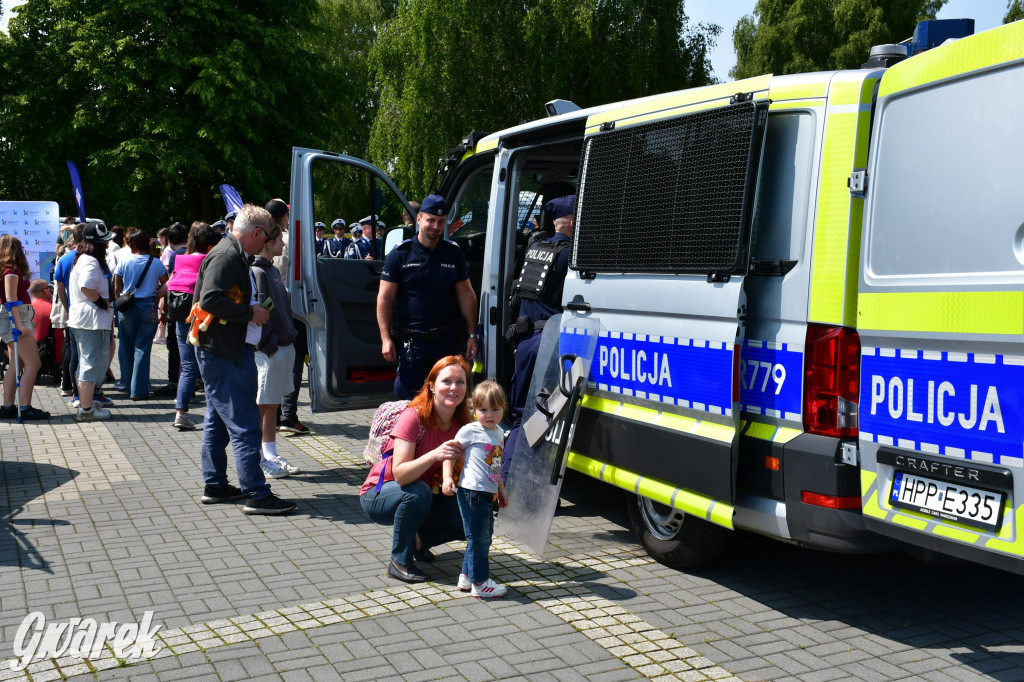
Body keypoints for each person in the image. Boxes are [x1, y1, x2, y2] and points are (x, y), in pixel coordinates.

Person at [193, 204, 296, 515]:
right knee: (244, 423)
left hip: (223, 349)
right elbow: (210, 299)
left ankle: (216, 485)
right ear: (255, 233)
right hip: (224, 351)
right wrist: (250, 312)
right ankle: (256, 492)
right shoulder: (227, 255)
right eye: (265, 236)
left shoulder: (233, 253)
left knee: (217, 420)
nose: (266, 242)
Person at [360, 355, 470, 583]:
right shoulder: (414, 417)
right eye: (446, 381)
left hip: (428, 494)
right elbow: (400, 474)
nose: (454, 388)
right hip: (380, 494)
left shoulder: (463, 423)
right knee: (417, 491)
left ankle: (417, 542)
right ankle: (400, 561)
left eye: (460, 382)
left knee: (471, 515)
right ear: (431, 385)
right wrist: (434, 455)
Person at [503, 195, 576, 482]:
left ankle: (507, 479)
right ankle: (523, 485)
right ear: (570, 221)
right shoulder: (568, 254)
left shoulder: (535, 248)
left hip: (524, 340)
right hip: (547, 343)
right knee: (546, 415)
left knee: (522, 413)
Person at [377, 194, 479, 399]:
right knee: (408, 398)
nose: (435, 226)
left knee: (447, 399)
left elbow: (467, 296)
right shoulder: (400, 254)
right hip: (413, 343)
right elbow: (384, 298)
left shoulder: (453, 254)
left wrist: (471, 335)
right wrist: (385, 338)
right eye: (430, 220)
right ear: (419, 219)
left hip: (446, 340)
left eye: (441, 222)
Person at [444, 380, 509, 598]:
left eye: (495, 409)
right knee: (478, 538)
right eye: (483, 409)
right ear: (474, 410)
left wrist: (500, 490)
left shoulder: (499, 433)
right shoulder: (470, 431)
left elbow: (495, 466)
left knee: (483, 535)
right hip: (471, 492)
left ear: (503, 409)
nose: (489, 415)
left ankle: (466, 576)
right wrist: (446, 477)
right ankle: (480, 583)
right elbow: (450, 453)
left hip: (486, 493)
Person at [251, 226, 301, 477]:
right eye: (280, 240)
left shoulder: (271, 269)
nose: (283, 244)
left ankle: (270, 453)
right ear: (268, 243)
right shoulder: (259, 271)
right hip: (270, 350)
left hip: (281, 345)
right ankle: (261, 457)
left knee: (272, 405)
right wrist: (268, 345)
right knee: (264, 404)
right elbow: (260, 311)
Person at [167, 222, 220, 430]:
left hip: (181, 316)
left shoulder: (179, 258)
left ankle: (180, 412)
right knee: (207, 365)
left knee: (188, 366)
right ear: (209, 245)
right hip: (202, 318)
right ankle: (213, 413)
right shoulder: (208, 261)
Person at [113, 229, 168, 401]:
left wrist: (121, 302)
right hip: (149, 306)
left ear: (132, 244)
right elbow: (168, 285)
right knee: (143, 348)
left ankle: (128, 385)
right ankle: (139, 390)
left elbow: (116, 289)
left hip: (127, 307)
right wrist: (160, 301)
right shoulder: (156, 262)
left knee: (126, 346)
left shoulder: (124, 260)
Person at [68, 223, 115, 421]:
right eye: (104, 242)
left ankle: (85, 402)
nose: (107, 246)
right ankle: (86, 410)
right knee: (90, 364)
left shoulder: (83, 259)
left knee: (85, 364)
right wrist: (101, 303)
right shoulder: (90, 262)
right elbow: (86, 286)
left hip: (84, 319)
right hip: (91, 321)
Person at [0, 235, 49, 420]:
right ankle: (25, 407)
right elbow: (11, 298)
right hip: (17, 317)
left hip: (13, 316)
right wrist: (19, 325)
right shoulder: (11, 270)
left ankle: (8, 406)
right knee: (33, 363)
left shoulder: (5, 269)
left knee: (17, 363)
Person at [154, 222, 188, 397]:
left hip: (178, 305)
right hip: (194, 306)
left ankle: (174, 384)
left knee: (174, 345)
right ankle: (192, 382)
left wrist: (165, 309)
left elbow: (172, 283)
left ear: (168, 240)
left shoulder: (176, 256)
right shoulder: (196, 253)